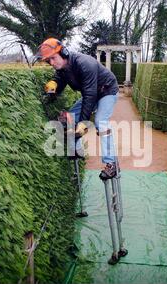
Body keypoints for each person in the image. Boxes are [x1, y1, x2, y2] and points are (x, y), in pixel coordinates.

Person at [36, 38, 119, 179]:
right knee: (68, 117)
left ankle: (112, 164)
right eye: (48, 61)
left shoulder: (85, 64)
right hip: (91, 93)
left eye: (53, 58)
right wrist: (53, 87)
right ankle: (77, 151)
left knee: (100, 121)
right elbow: (60, 80)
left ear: (63, 53)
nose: (52, 63)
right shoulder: (62, 68)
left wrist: (83, 123)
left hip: (107, 91)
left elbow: (90, 95)